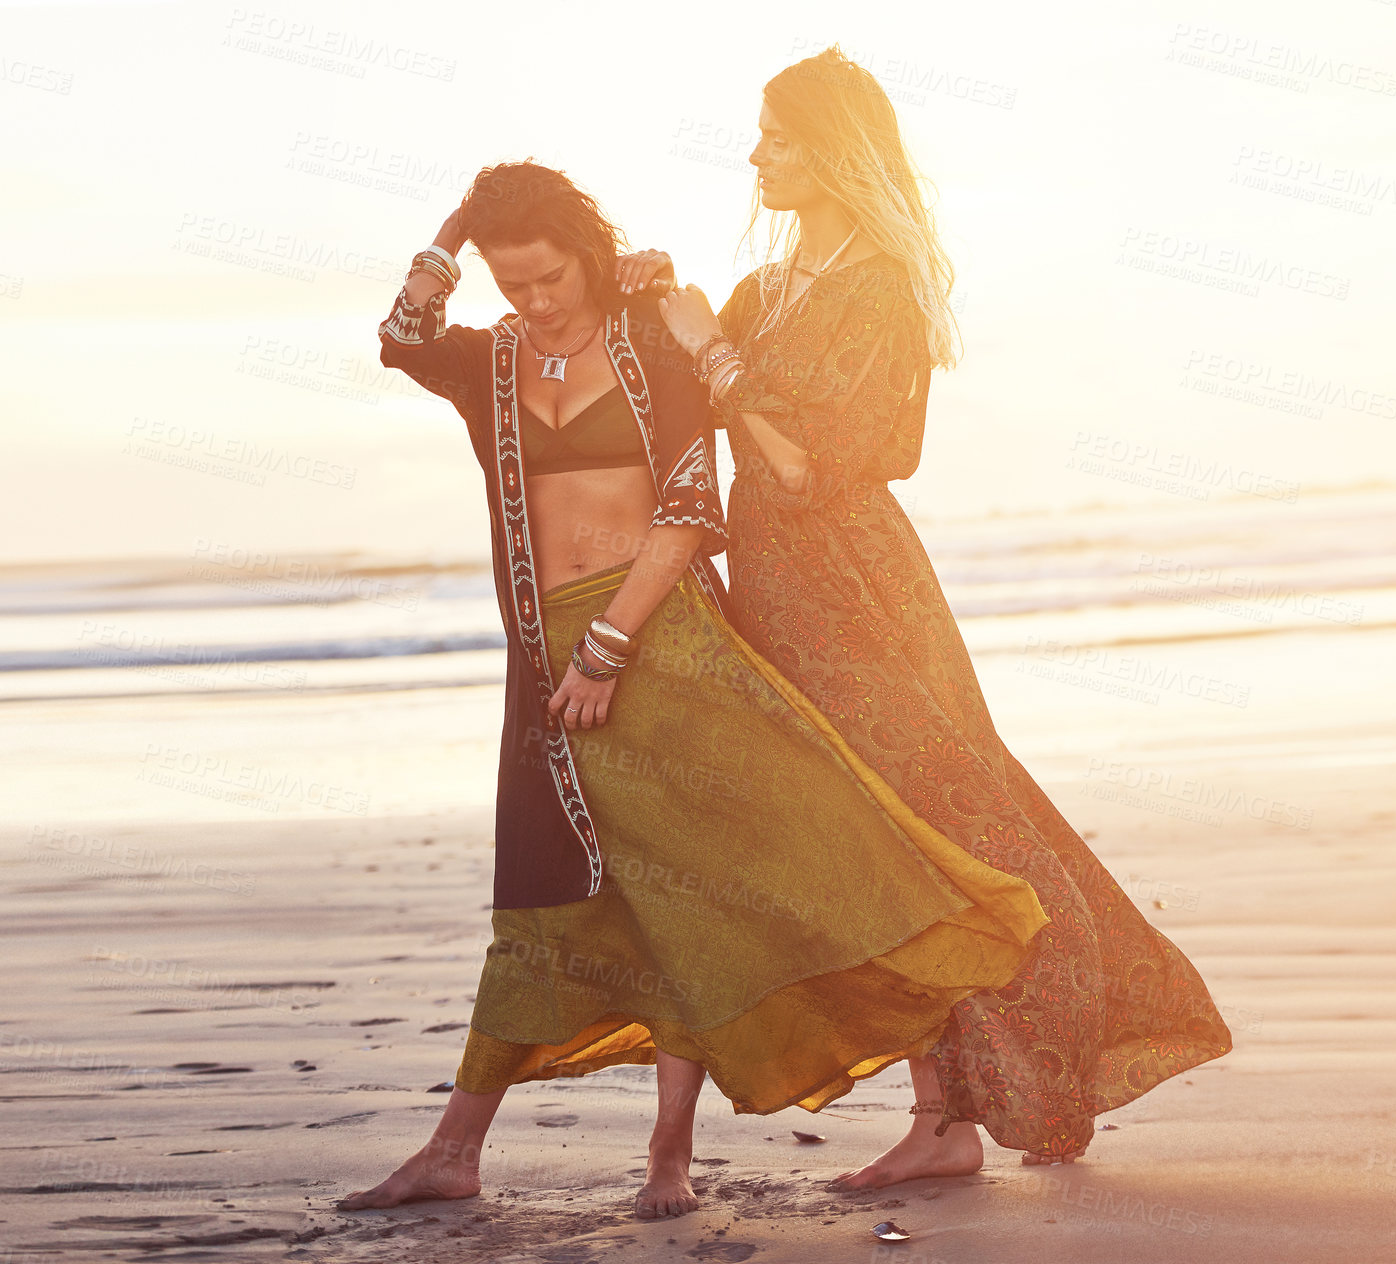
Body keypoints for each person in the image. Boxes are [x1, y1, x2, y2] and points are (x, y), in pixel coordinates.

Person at [339, 161, 1049, 1218]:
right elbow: (400, 334)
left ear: (588, 253)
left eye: (551, 277)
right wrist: (451, 229)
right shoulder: (488, 361)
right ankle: (453, 1150)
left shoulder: (649, 342)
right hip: (545, 656)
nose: (536, 300)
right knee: (542, 906)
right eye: (513, 282)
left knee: (705, 897)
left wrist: (610, 649)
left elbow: (687, 504)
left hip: (662, 644)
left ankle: (677, 1159)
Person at [638, 46, 1233, 1186]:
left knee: (948, 824)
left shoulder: (878, 293)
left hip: (857, 591)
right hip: (768, 588)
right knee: (864, 845)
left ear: (835, 146)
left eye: (778, 133)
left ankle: (1045, 1056)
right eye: (758, 133)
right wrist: (653, 308)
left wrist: (711, 348)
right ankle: (940, 1115)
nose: (757, 153)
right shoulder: (767, 290)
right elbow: (710, 432)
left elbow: (815, 469)